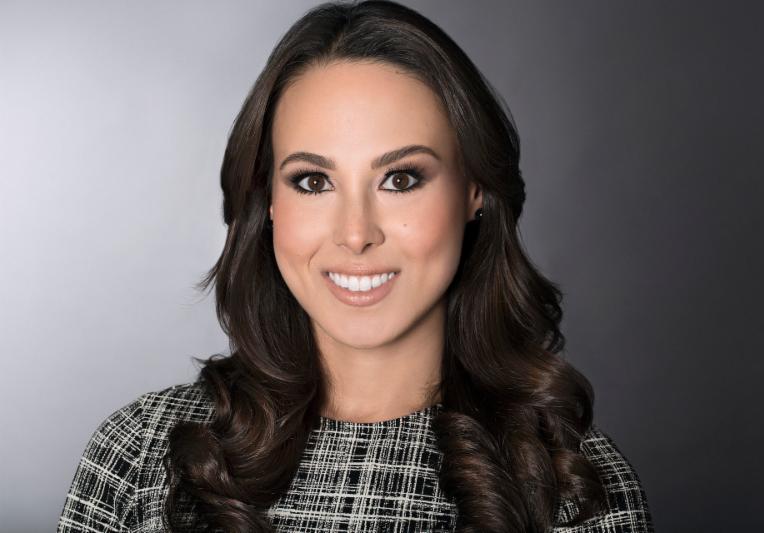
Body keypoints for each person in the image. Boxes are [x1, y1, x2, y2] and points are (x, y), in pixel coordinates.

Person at [57, 1, 655, 531]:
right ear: (268, 201)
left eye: (401, 179)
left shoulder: (576, 489)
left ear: (474, 189)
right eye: (313, 182)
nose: (355, 234)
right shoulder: (137, 456)